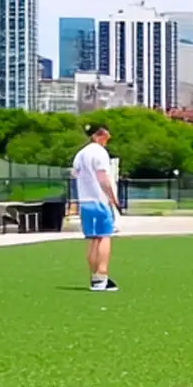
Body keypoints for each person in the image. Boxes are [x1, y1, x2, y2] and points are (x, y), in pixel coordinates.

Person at [70, 124, 121, 292]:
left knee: (93, 239)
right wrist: (113, 198)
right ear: (100, 136)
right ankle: (102, 273)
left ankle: (95, 278)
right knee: (104, 236)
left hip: (85, 200)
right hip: (99, 200)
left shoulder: (80, 154)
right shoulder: (99, 153)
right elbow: (102, 178)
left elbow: (75, 174)